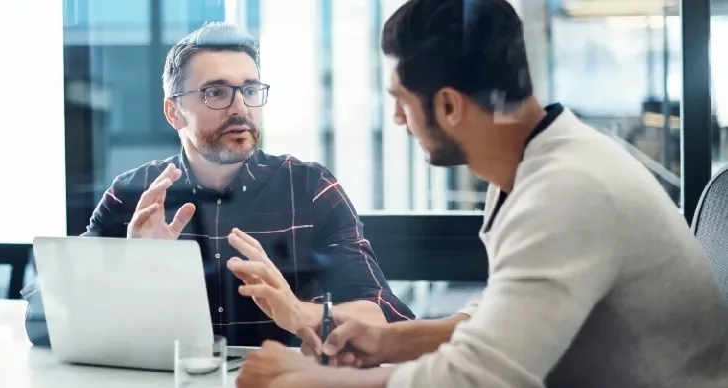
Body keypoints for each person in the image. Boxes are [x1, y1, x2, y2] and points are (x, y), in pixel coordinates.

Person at [236, 0, 728, 387]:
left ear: (449, 105)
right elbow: (505, 321)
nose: (398, 120)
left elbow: (478, 378)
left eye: (402, 101)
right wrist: (387, 339)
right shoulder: (532, 163)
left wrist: (309, 380)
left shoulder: (568, 191)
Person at [21, 22, 414, 348]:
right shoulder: (133, 195)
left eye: (250, 90)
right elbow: (41, 321)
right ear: (173, 111)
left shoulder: (309, 188)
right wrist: (129, 265)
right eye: (216, 92)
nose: (240, 108)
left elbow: (384, 315)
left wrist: (297, 311)